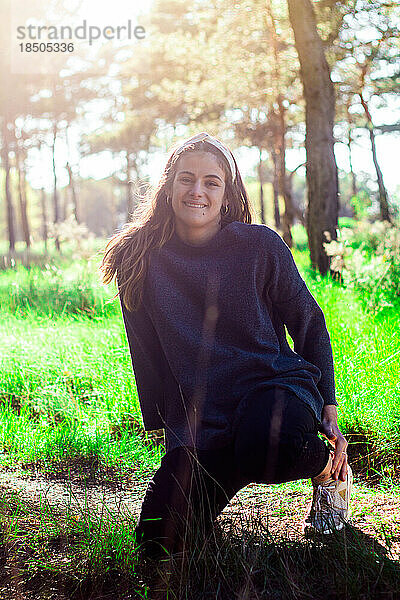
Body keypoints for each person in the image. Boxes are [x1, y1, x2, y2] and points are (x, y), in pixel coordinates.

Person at [99, 131, 353, 560]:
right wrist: (173, 440)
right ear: (168, 187)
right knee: (156, 545)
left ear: (227, 193)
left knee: (270, 446)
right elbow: (147, 356)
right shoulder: (137, 257)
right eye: (186, 179)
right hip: (203, 413)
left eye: (211, 182)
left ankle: (328, 470)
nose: (197, 191)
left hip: (274, 388)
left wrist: (327, 405)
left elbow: (308, 323)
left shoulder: (258, 246)